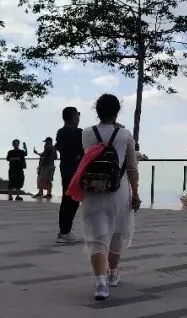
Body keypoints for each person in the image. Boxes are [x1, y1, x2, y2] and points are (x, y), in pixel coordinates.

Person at [66, 93, 140, 300]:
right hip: (119, 191)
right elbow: (132, 168)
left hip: (93, 191)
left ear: (97, 111)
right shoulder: (125, 134)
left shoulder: (87, 133)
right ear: (117, 111)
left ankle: (100, 284)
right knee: (117, 234)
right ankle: (113, 274)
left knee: (97, 237)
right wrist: (136, 193)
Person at [56, 107, 84, 244]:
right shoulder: (77, 133)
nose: (79, 118)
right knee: (72, 200)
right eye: (78, 115)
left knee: (67, 199)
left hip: (65, 169)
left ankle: (64, 231)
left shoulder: (60, 132)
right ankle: (65, 232)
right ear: (73, 117)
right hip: (75, 170)